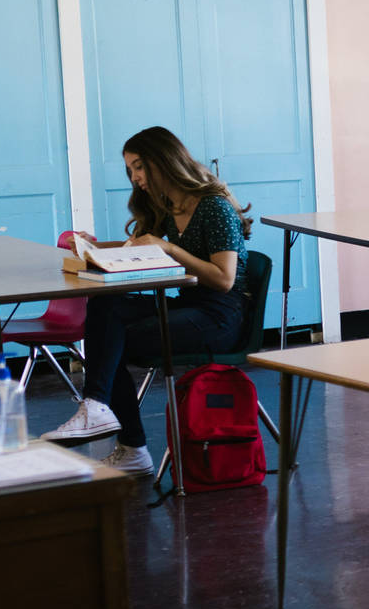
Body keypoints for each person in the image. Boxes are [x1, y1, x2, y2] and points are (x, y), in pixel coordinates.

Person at [41, 127, 251, 474]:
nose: (136, 177)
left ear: (164, 161)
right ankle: (97, 409)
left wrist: (170, 248)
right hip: (188, 306)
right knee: (106, 306)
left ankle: (130, 444)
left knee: (112, 340)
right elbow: (133, 252)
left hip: (219, 318)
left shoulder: (214, 208)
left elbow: (224, 280)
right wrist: (91, 247)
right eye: (130, 170)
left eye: (139, 167)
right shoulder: (167, 207)